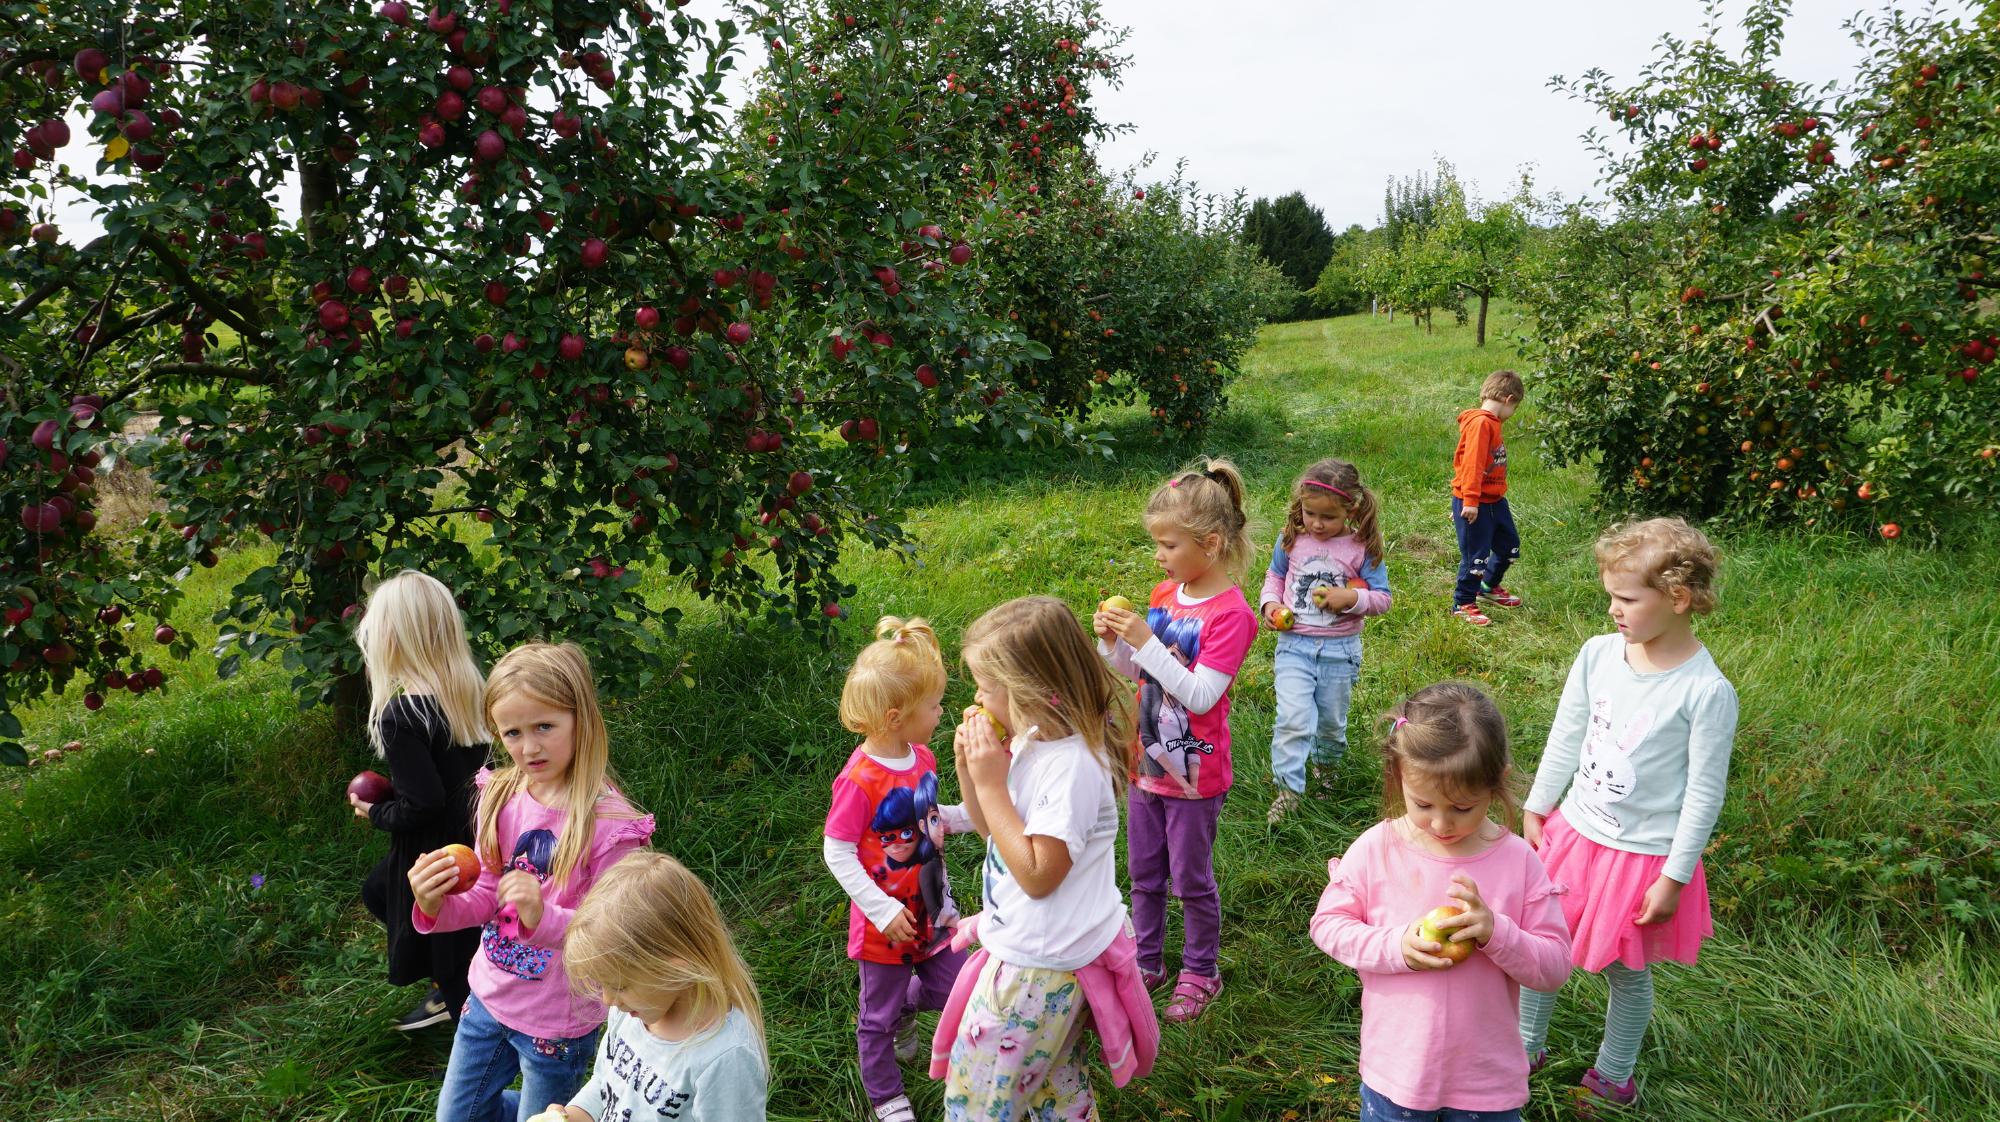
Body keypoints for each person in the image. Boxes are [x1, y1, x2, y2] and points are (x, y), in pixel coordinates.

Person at [1517, 518, 1737, 1111]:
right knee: (1545, 943)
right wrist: (1538, 805)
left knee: (1624, 970)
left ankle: (1615, 1073)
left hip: (1642, 858)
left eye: (1625, 599)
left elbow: (1703, 793)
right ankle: (1523, 1047)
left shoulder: (1705, 692)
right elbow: (1568, 733)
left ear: (1677, 599)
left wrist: (1676, 876)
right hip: (1574, 834)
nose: (1613, 610)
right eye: (1610, 597)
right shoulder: (1598, 655)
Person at [409, 642, 656, 1122]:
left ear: (580, 719)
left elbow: (614, 931)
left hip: (557, 1020)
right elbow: (485, 894)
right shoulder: (500, 795)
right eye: (513, 733)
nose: (529, 747)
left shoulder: (608, 823)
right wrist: (434, 903)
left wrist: (541, 917)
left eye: (545, 726)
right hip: (488, 996)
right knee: (457, 1116)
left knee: (544, 1119)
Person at [934, 596, 1158, 1120]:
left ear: (1031, 691)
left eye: (986, 687)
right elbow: (995, 830)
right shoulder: (1035, 742)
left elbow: (1038, 876)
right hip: (1044, 958)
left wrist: (991, 783)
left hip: (1035, 973)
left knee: (977, 1101)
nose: (977, 697)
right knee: (1055, 1091)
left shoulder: (1071, 768)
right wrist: (972, 771)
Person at [1310, 683, 1572, 1122]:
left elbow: (1554, 967)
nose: (1440, 822)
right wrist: (1398, 947)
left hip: (1486, 1080)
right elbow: (1328, 925)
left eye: (1462, 807)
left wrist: (1496, 932)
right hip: (1398, 1071)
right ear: (1399, 777)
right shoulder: (1378, 849)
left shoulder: (1518, 862)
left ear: (1496, 784)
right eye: (1423, 803)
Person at [1094, 458, 1257, 1022]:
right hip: (1147, 764)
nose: (1159, 557)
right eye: (1157, 545)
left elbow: (1200, 696)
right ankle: (1146, 958)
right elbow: (1133, 671)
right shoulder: (1166, 594)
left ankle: (1200, 969)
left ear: (1210, 543)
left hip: (1195, 772)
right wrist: (1113, 642)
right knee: (1143, 872)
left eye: (1167, 545)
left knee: (1190, 878)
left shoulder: (1232, 614)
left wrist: (1146, 639)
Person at [824, 616, 972, 1122]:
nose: (940, 712)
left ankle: (912, 1003)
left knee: (955, 986)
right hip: (884, 926)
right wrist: (880, 909)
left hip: (931, 912)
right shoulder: (859, 780)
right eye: (933, 706)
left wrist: (980, 816)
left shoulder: (922, 757)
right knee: (876, 1019)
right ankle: (887, 1097)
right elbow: (836, 850)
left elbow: (931, 818)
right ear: (895, 716)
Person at [351, 570, 489, 1031]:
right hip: (474, 836)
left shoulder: (402, 714)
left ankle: (471, 1036)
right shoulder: (470, 692)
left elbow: (422, 804)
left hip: (432, 851)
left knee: (449, 950)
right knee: (379, 890)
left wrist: (376, 811)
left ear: (391, 638)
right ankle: (458, 989)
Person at [537, 851, 767, 1122]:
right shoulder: (631, 1013)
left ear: (675, 970)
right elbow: (605, 1086)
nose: (608, 1000)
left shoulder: (726, 1058)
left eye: (620, 986)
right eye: (604, 986)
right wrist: (572, 1116)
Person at [1258, 457, 1393, 823]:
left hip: (1339, 651)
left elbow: (1382, 598)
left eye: (1328, 517)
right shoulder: (1292, 539)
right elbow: (1274, 576)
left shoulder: (1360, 547)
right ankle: (1288, 789)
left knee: (1331, 723)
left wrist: (1350, 600)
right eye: (1309, 512)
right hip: (1295, 647)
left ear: (1350, 510)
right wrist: (1270, 605)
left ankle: (1327, 775)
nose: (1316, 523)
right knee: (1292, 719)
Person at [1450, 369, 1525, 626]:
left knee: (1509, 547)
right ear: (1509, 399)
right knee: (1476, 556)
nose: (1511, 415)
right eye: (1515, 407)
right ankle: (1463, 602)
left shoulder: (1491, 423)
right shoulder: (1482, 423)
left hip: (1494, 500)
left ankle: (1488, 586)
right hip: (1476, 502)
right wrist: (1468, 501)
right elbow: (1471, 464)